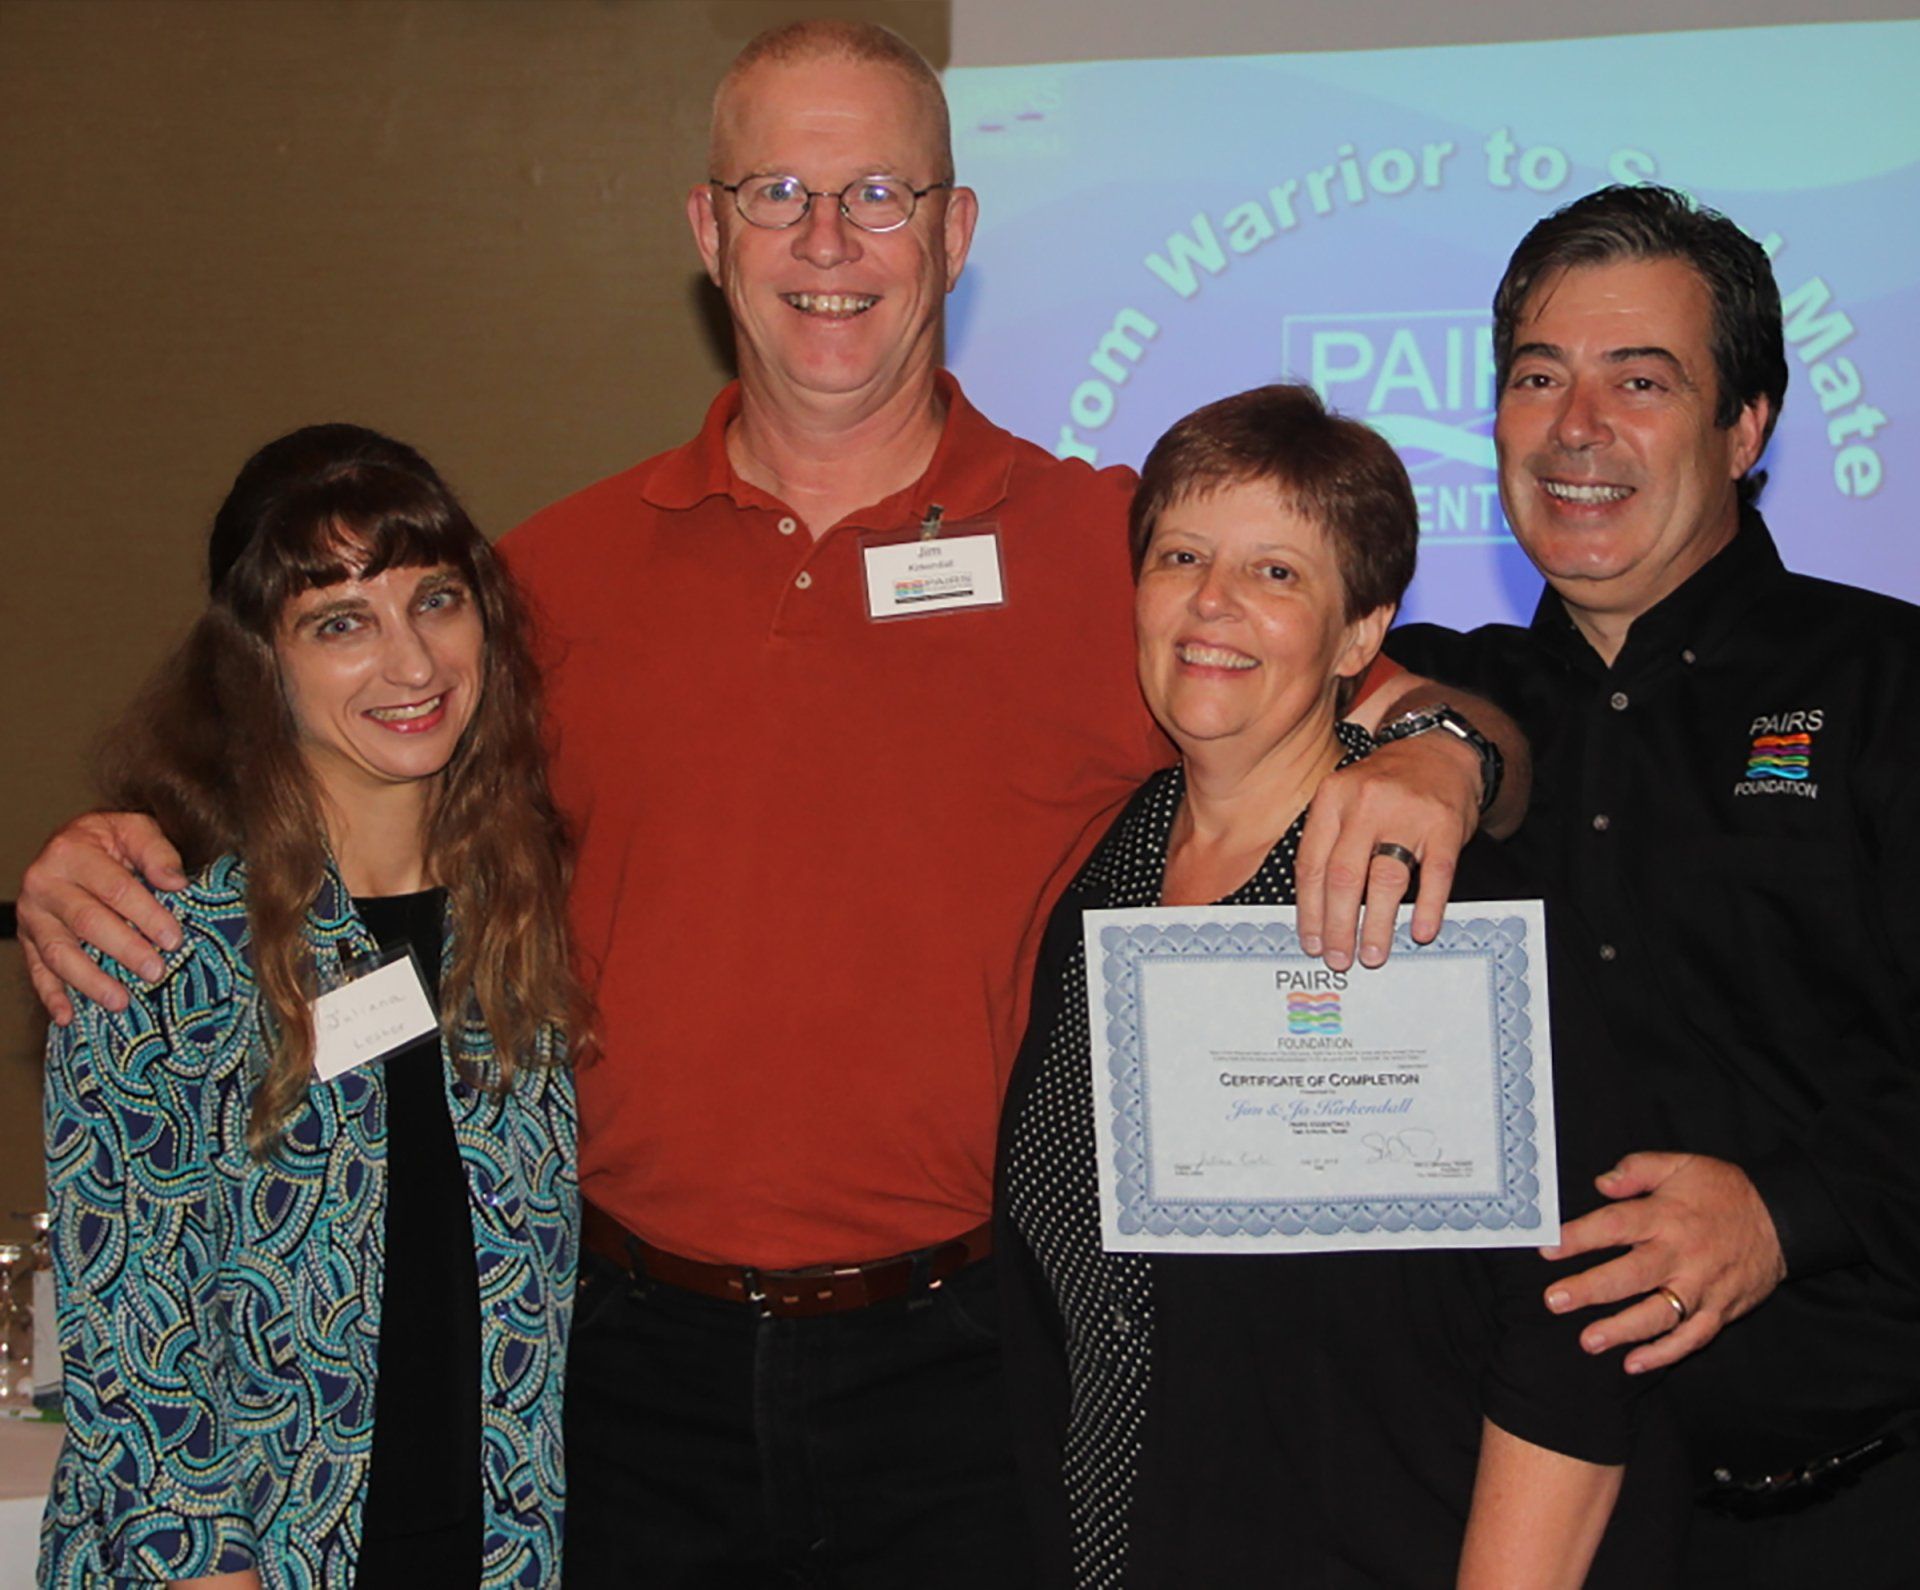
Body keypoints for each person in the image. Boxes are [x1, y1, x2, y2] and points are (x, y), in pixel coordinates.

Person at [19, 24, 1527, 1587]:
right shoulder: (552, 577)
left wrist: (1445, 753)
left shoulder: (1112, 551)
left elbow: (1384, 681)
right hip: (611, 1382)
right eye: (778, 193)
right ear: (705, 230)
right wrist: (111, 848)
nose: (827, 242)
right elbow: (338, 777)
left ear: (954, 231)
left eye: (878, 192)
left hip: (966, 1377)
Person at [998, 384, 1682, 1589]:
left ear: (1362, 636)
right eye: (1182, 555)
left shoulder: (1437, 896)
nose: (1212, 602)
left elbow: (1574, 1322)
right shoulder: (1108, 873)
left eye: (1276, 574)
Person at [1382, 185, 1920, 1584]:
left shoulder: (1889, 689)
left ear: (1746, 431)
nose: (1577, 428)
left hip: (1849, 1514)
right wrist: (1432, 736)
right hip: (1514, 1523)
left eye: (1642, 381)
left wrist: (1785, 1211)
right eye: (1538, 378)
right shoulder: (1458, 699)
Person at [37, 425, 582, 1590]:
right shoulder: (157, 946)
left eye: (434, 600)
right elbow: (139, 1375)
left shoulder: (526, 928)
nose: (411, 662)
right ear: (259, 664)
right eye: (341, 622)